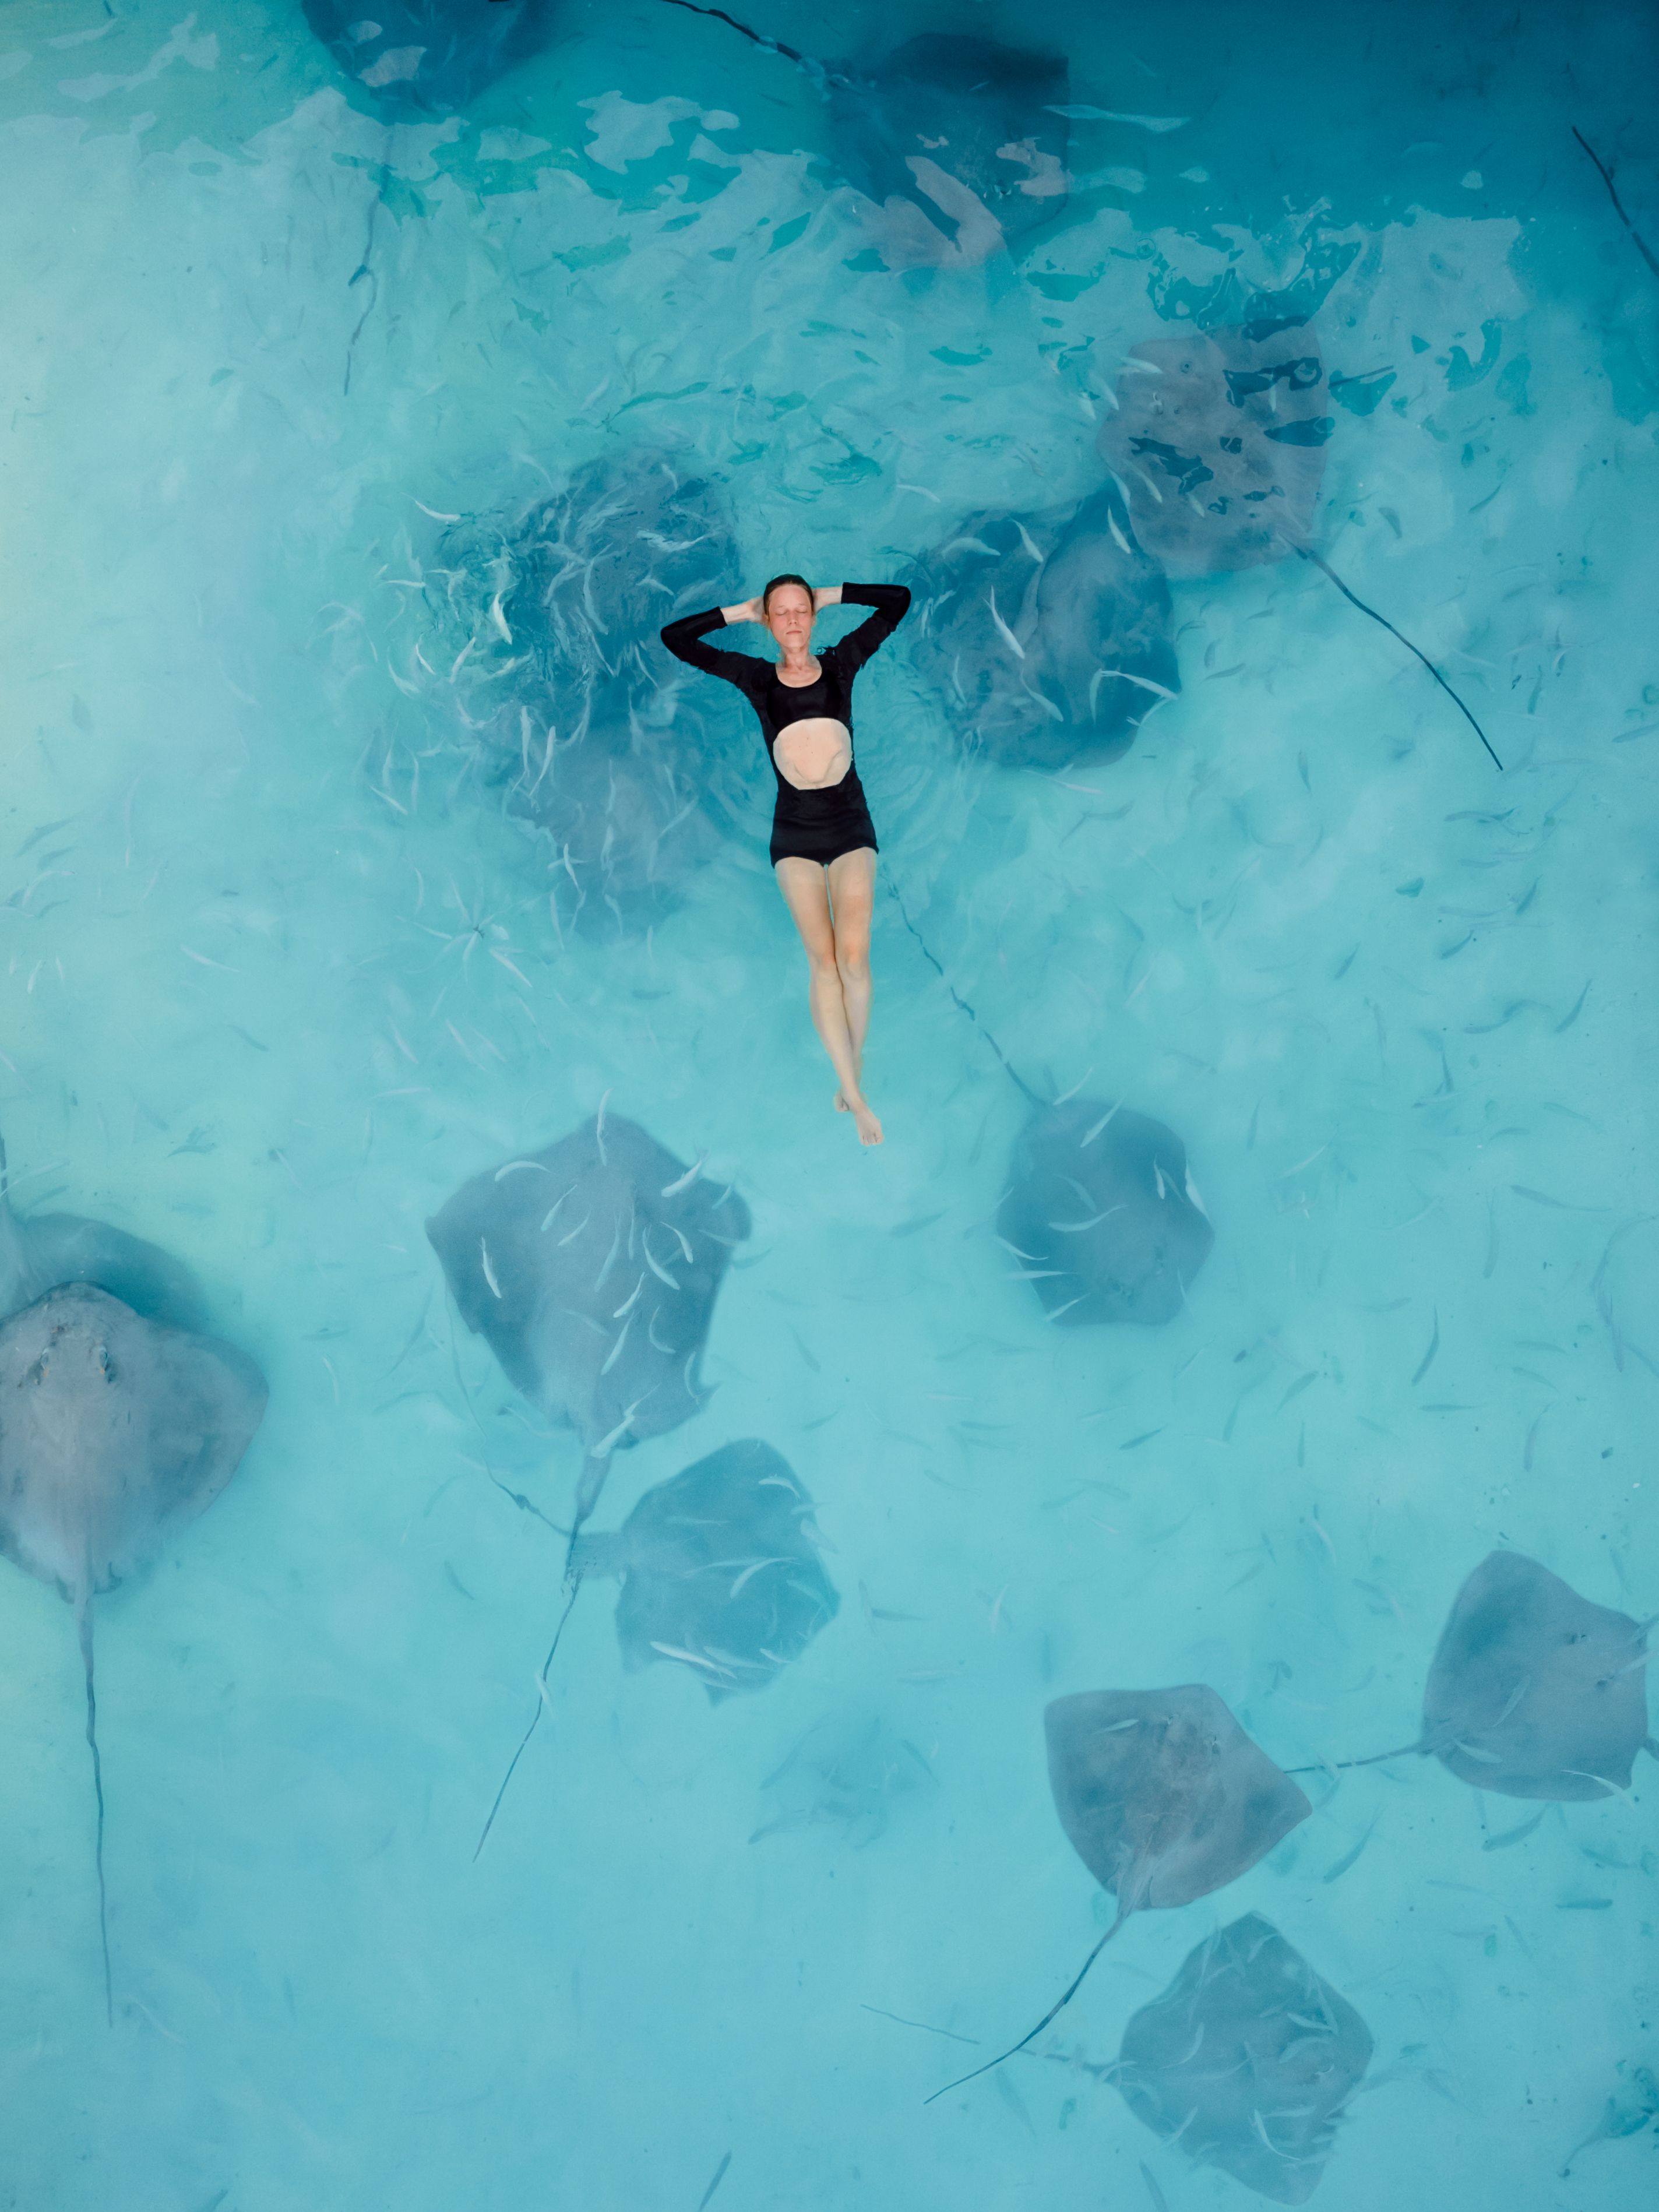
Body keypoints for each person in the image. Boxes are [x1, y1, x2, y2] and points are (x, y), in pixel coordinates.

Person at [661, 575, 911, 1147]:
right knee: (822, 962)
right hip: (795, 834)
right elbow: (677, 638)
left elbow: (898, 600)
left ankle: (856, 1068)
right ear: (770, 623)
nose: (795, 620)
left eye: (802, 611)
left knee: (854, 957)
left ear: (813, 618)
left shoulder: (843, 663)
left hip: (850, 825)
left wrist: (830, 594)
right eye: (783, 613)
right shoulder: (755, 680)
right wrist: (739, 612)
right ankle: (855, 1095)